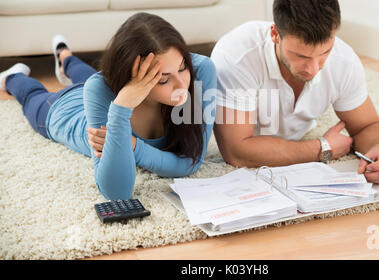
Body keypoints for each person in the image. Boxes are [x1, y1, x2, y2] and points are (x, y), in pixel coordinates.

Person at [0, 12, 217, 200]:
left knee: (87, 76)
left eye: (182, 68)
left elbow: (191, 162)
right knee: (32, 95)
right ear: (130, 78)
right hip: (64, 110)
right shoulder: (101, 90)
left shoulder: (201, 71)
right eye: (163, 79)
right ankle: (12, 77)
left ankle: (65, 56)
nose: (182, 85)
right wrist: (121, 107)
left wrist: (134, 146)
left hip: (99, 88)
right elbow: (117, 192)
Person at [211, 0, 379, 184]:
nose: (314, 68)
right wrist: (322, 148)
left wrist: (378, 151)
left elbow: (368, 125)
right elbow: (236, 152)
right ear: (275, 35)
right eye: (301, 56)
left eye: (325, 52)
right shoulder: (236, 56)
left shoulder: (344, 60)